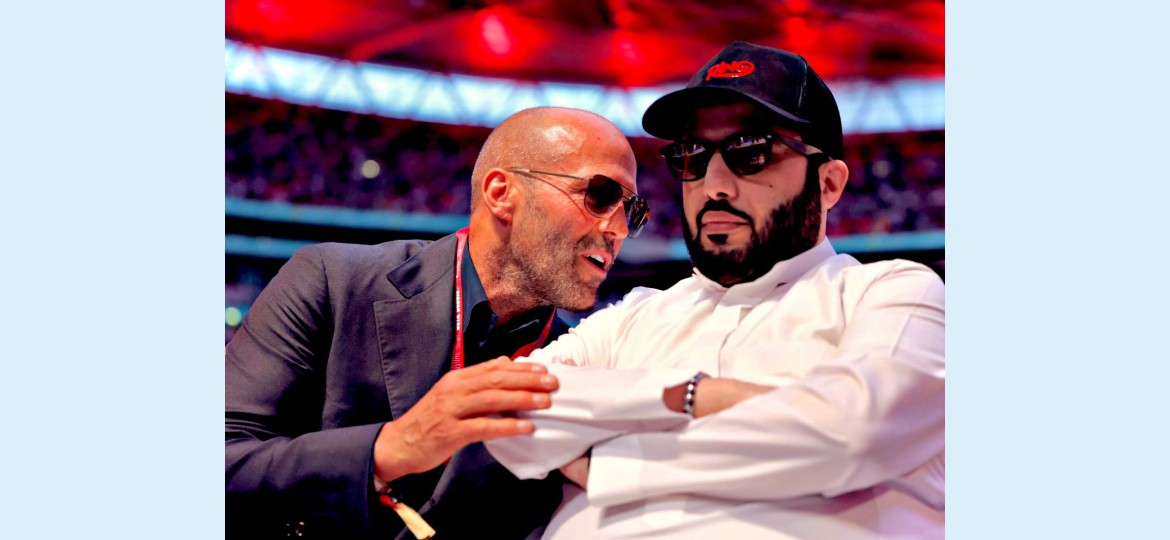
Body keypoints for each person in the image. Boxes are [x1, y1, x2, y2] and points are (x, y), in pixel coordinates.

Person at [484, 41, 945, 538]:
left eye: (752, 152)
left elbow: (853, 432)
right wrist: (697, 396)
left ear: (829, 184)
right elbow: (507, 408)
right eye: (693, 157)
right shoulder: (635, 315)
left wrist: (610, 460)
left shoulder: (891, 293)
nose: (714, 185)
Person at [225, 106, 650, 539]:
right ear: (502, 193)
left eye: (633, 212)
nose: (619, 229)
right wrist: (390, 448)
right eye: (599, 195)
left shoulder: (579, 366)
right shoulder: (332, 280)